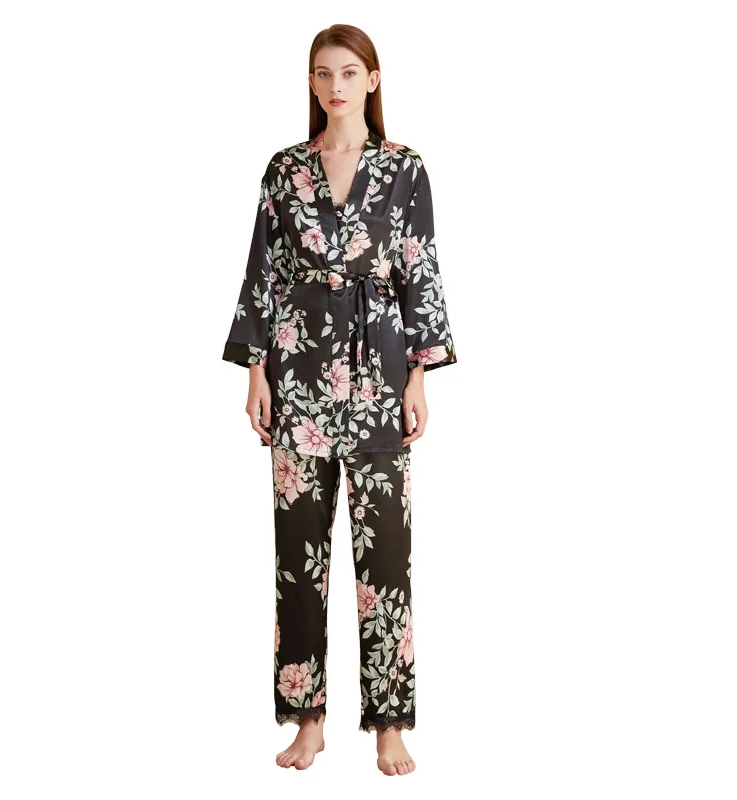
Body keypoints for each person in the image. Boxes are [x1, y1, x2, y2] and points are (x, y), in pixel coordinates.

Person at [222, 24, 457, 776]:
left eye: (349, 73)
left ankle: (389, 725)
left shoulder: (405, 169)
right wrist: (255, 370)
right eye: (323, 74)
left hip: (380, 374)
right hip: (297, 374)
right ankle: (307, 719)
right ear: (312, 83)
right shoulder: (285, 169)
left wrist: (420, 373)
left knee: (385, 557)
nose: (335, 86)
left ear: (373, 80)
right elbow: (262, 269)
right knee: (299, 557)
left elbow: (420, 268)